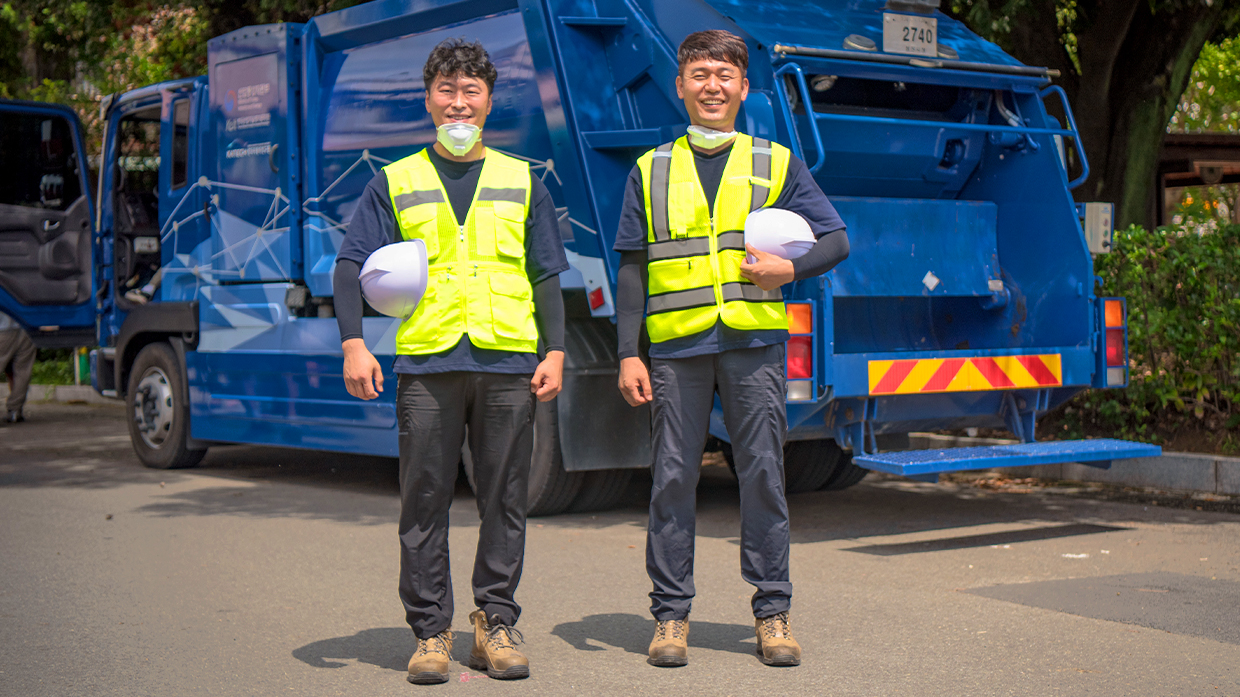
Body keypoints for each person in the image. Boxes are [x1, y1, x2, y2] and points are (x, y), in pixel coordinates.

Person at [332, 38, 568, 685]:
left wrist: (556, 349)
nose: (458, 102)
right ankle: (431, 631)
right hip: (429, 366)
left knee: (505, 499)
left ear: (489, 100)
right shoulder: (395, 180)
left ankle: (494, 621)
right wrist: (354, 340)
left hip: (507, 361)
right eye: (447, 90)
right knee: (425, 501)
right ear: (428, 98)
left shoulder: (523, 180)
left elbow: (547, 273)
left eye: (471, 90)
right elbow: (349, 263)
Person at [613, 30, 850, 668]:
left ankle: (772, 612)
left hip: (752, 345)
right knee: (671, 479)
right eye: (699, 74)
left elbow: (835, 238)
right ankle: (670, 617)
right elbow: (631, 269)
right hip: (675, 349)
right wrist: (627, 353)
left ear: (743, 88)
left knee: (764, 475)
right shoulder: (650, 168)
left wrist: (788, 273)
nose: (711, 85)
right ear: (680, 85)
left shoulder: (774, 161)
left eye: (724, 74)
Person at [0, 310, 35, 424]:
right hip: (28, 328)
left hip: (4, 329)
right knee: (23, 371)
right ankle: (15, 410)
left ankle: (14, 410)